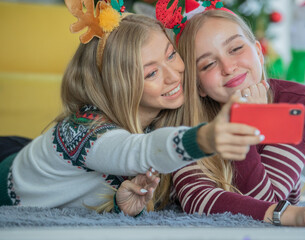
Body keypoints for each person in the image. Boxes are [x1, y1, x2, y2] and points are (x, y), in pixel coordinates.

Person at [0, 0, 264, 217]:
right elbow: (140, 150)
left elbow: (86, 197)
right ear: (120, 86)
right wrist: (205, 137)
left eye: (171, 55)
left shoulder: (162, 114)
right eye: (151, 73)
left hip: (35, 154)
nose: (174, 76)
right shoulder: (82, 131)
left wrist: (119, 207)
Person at [153, 0, 305, 228]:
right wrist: (246, 122)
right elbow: (199, 200)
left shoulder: (297, 101)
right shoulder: (187, 120)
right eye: (208, 65)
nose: (228, 67)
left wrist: (248, 120)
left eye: (236, 49)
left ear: (258, 51)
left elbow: (270, 202)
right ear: (198, 86)